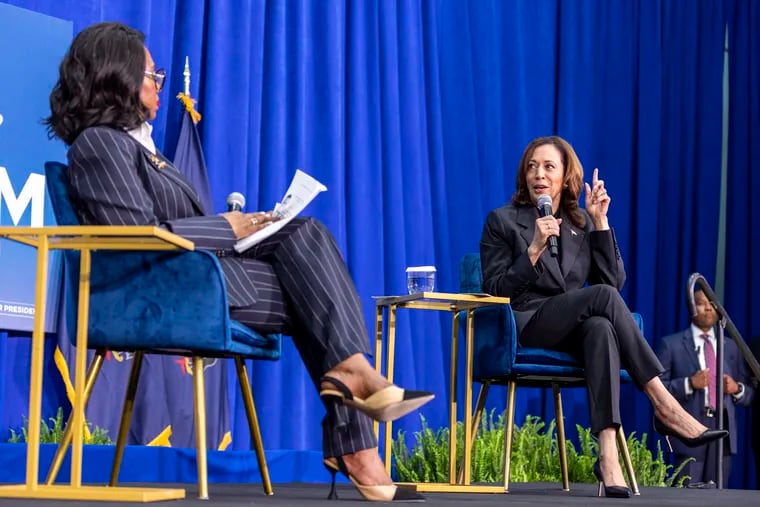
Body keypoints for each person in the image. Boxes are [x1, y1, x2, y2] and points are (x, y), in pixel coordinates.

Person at [45, 22, 433, 502]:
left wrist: (237, 226)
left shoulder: (134, 144)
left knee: (304, 236)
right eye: (151, 74)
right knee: (312, 287)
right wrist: (225, 229)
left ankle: (353, 403)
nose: (158, 84)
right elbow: (135, 240)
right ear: (117, 76)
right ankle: (354, 430)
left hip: (191, 278)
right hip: (156, 292)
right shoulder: (100, 143)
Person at [479, 135, 727, 498]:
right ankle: (663, 402)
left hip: (574, 328)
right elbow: (494, 288)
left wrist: (600, 224)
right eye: (532, 166)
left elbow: (613, 282)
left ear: (566, 177)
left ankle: (608, 455)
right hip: (526, 323)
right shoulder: (502, 220)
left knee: (600, 328)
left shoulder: (580, 222)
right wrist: (532, 251)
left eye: (549, 167)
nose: (539, 175)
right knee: (601, 302)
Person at [657, 290, 754, 487]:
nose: (708, 307)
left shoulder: (732, 348)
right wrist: (689, 384)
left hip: (722, 433)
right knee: (686, 494)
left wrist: (737, 389)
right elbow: (656, 390)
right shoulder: (671, 345)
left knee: (718, 494)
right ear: (691, 307)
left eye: (712, 303)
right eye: (701, 303)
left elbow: (751, 394)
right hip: (688, 431)